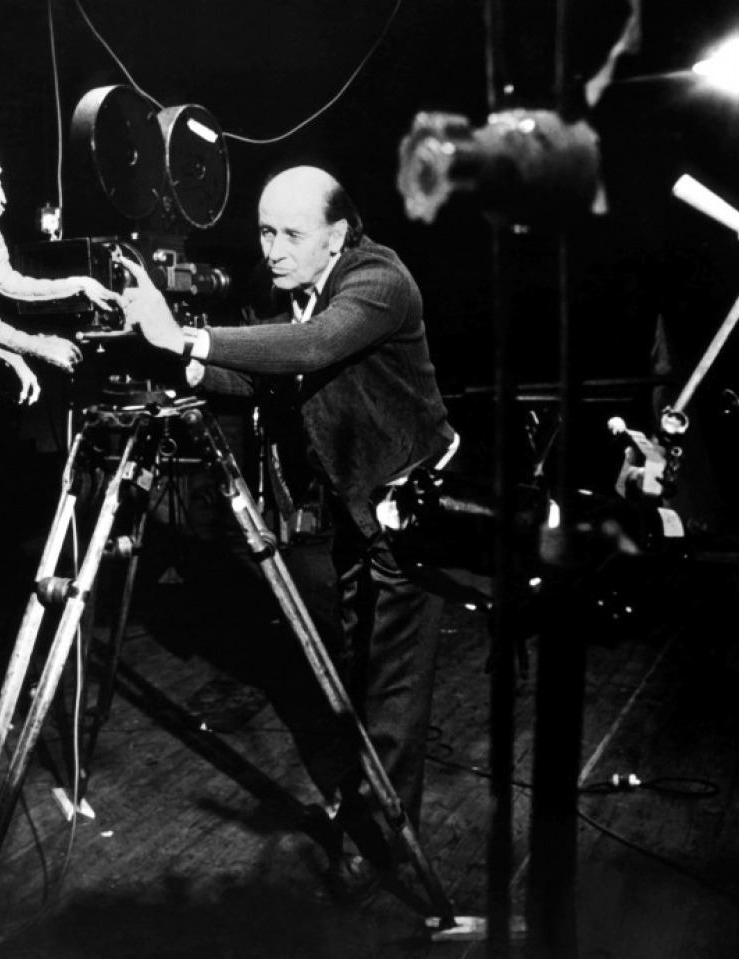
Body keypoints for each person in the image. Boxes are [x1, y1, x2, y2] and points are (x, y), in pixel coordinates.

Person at [118, 163, 456, 899]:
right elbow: (260, 373)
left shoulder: (379, 281)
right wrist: (172, 354)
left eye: (291, 234)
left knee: (391, 686)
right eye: (265, 231)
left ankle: (384, 845)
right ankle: (364, 807)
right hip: (354, 508)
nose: (272, 249)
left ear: (338, 234)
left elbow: (309, 349)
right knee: (352, 670)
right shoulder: (291, 290)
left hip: (411, 509)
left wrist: (187, 336)